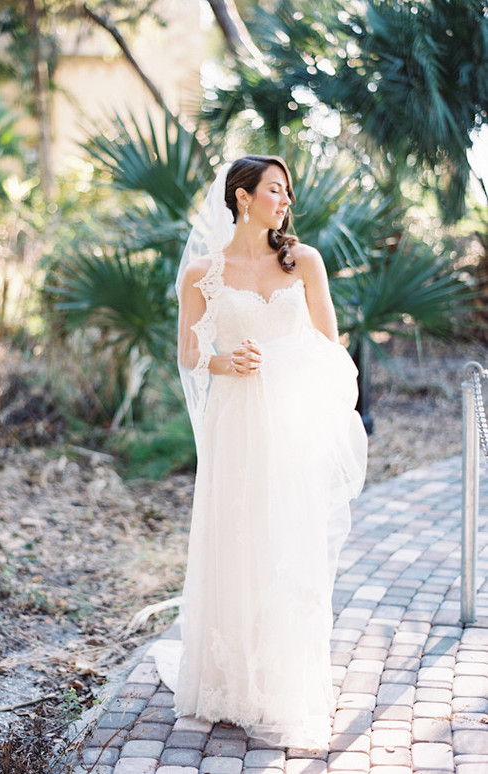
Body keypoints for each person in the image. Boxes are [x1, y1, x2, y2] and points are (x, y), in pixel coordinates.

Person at [170, 155, 367, 750]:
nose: (285, 201)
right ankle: (228, 681)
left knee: (286, 543)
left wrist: (276, 360)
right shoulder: (202, 273)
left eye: (286, 191)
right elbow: (188, 355)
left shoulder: (304, 261)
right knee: (235, 538)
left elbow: (330, 348)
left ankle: (281, 682)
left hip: (288, 423)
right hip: (233, 422)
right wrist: (225, 361)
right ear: (242, 197)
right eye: (275, 190)